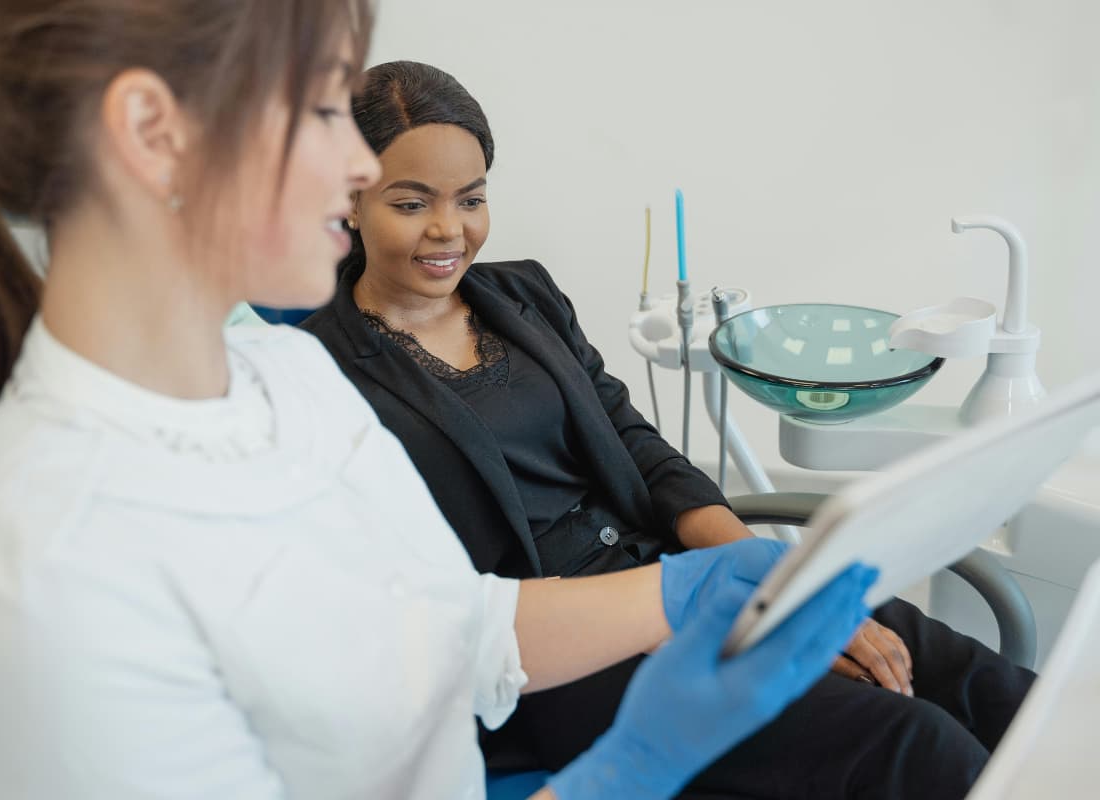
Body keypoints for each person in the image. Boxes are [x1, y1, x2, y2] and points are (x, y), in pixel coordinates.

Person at [0, 3, 874, 799]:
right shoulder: (43, 562)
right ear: (156, 133)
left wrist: (681, 588)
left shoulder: (288, 383)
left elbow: (447, 626)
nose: (363, 167)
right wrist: (632, 767)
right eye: (326, 109)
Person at [300, 59, 1038, 799]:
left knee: (981, 684)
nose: (448, 230)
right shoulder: (315, 370)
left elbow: (640, 449)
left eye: (471, 199)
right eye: (410, 202)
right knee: (916, 741)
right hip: (561, 656)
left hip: (678, 574)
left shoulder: (523, 294)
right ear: (350, 201)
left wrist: (774, 587)